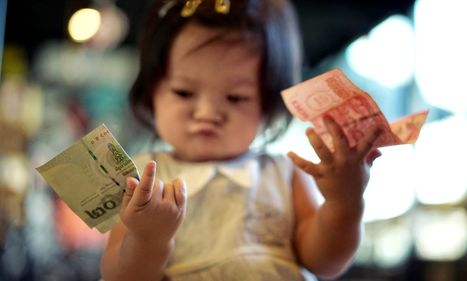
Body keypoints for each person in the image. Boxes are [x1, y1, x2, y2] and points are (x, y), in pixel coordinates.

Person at [100, 0, 382, 280]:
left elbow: (324, 262)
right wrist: (148, 238)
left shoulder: (283, 174)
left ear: (268, 104)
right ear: (151, 92)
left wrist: (344, 203)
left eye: (236, 97)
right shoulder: (142, 179)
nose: (208, 113)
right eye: (184, 92)